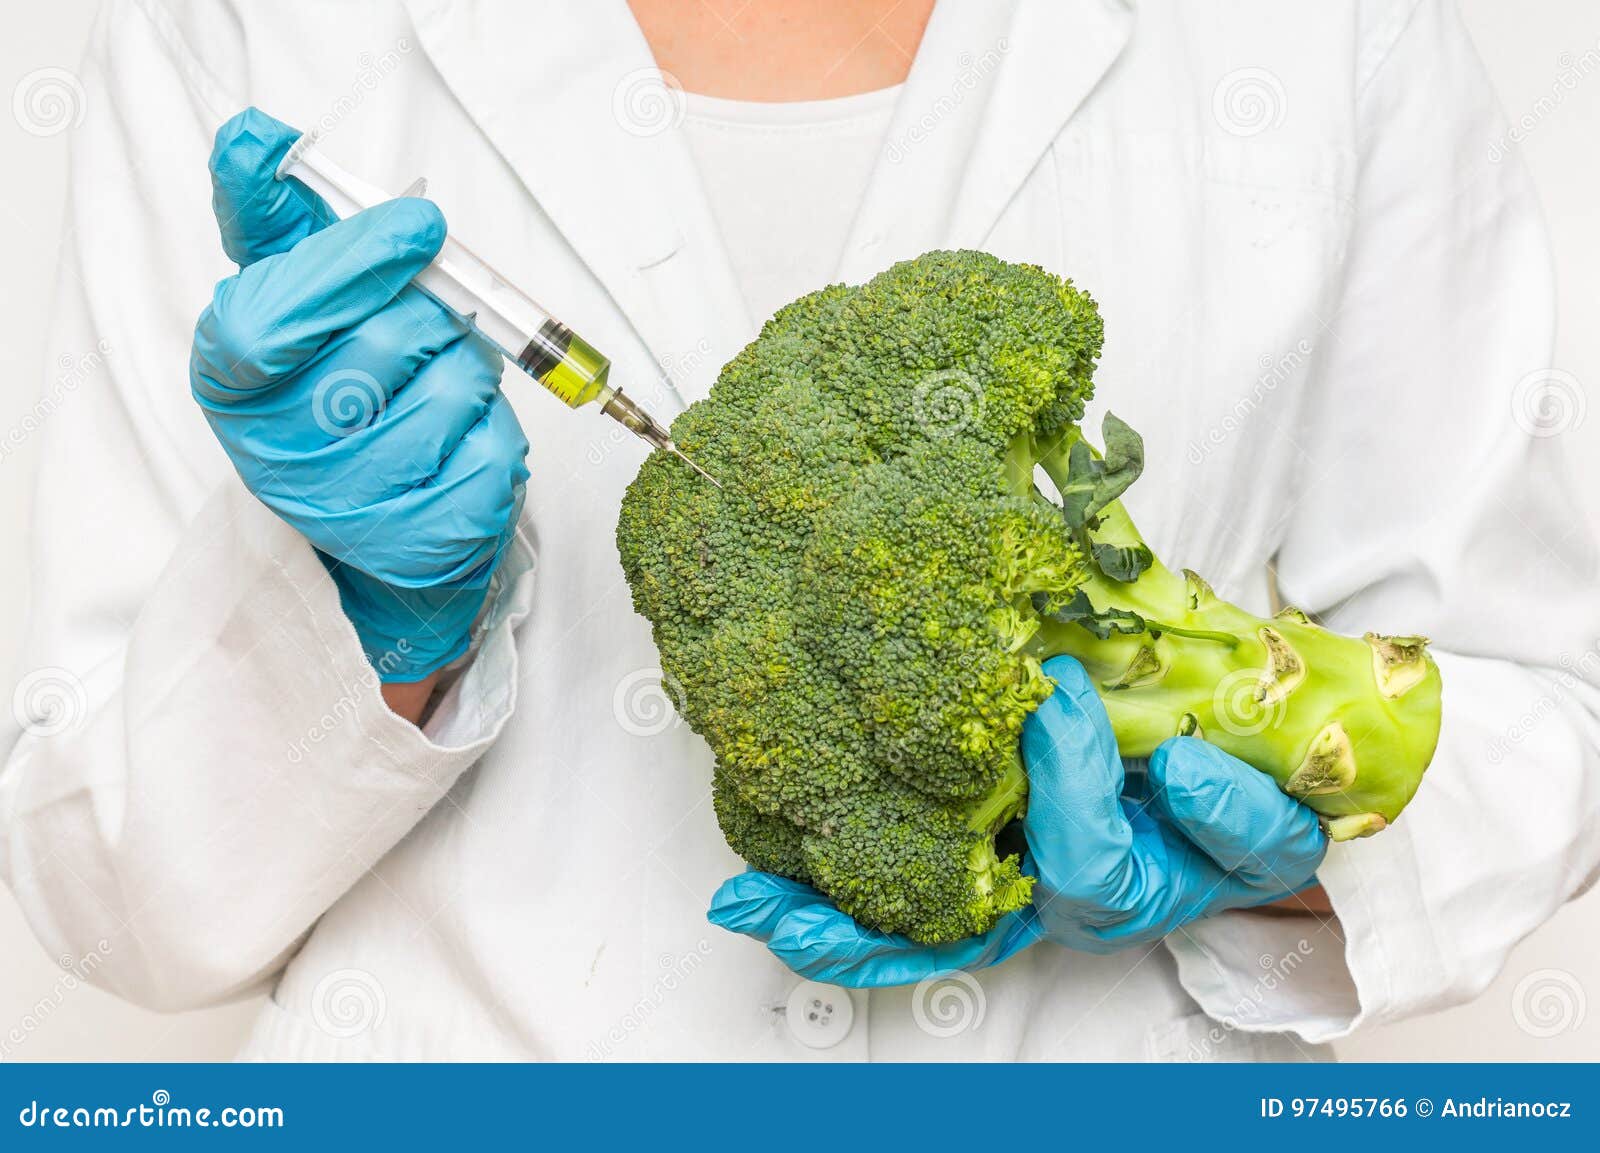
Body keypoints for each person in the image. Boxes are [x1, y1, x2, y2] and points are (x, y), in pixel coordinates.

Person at [2, 0, 1595, 1061]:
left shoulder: (1328, 33)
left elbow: (1548, 714)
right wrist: (360, 626)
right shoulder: (243, 28)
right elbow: (115, 892)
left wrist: (1278, 859)